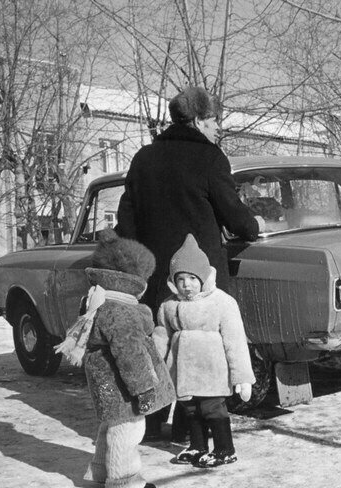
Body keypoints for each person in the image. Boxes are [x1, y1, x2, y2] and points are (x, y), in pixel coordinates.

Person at [115, 85, 261, 440]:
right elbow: (236, 217)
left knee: (158, 347)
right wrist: (252, 225)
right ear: (196, 120)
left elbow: (126, 221)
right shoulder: (211, 158)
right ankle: (189, 426)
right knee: (198, 347)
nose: (217, 129)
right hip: (197, 279)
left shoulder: (143, 158)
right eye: (213, 122)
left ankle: (150, 422)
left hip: (155, 278)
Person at [55, 228, 176, 488]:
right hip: (123, 388)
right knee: (127, 430)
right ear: (133, 279)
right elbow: (130, 354)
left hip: (108, 384)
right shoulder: (121, 310)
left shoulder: (99, 302)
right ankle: (124, 481)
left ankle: (100, 474)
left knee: (110, 426)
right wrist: (143, 388)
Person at [153, 234, 255, 467]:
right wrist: (155, 367)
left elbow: (236, 341)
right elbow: (161, 337)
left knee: (212, 409)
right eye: (180, 279)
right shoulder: (168, 306)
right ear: (173, 280)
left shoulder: (222, 302)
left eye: (192, 278)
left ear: (203, 277)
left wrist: (243, 378)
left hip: (212, 371)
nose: (186, 284)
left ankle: (224, 449)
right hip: (183, 373)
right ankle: (197, 446)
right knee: (190, 409)